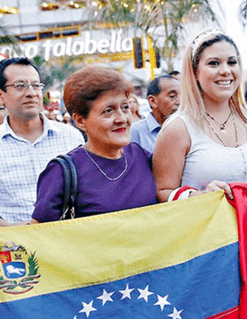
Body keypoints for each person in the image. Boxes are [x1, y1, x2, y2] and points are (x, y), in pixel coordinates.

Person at [152, 29, 247, 203]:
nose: (225, 71)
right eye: (214, 63)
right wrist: (197, 195)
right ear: (195, 73)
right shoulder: (178, 128)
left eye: (232, 62)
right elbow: (161, 192)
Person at [31, 66, 156, 223]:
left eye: (125, 107)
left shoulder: (141, 156)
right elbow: (40, 235)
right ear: (80, 121)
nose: (122, 118)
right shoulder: (62, 172)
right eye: (108, 111)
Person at [0, 57, 84, 226]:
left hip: (68, 240)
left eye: (36, 85)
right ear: (1, 96)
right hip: (12, 246)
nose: (31, 93)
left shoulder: (71, 137)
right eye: (20, 85)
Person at [130, 75, 181, 153]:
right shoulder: (136, 132)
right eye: (172, 96)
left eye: (182, 96)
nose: (179, 102)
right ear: (153, 101)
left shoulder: (187, 129)